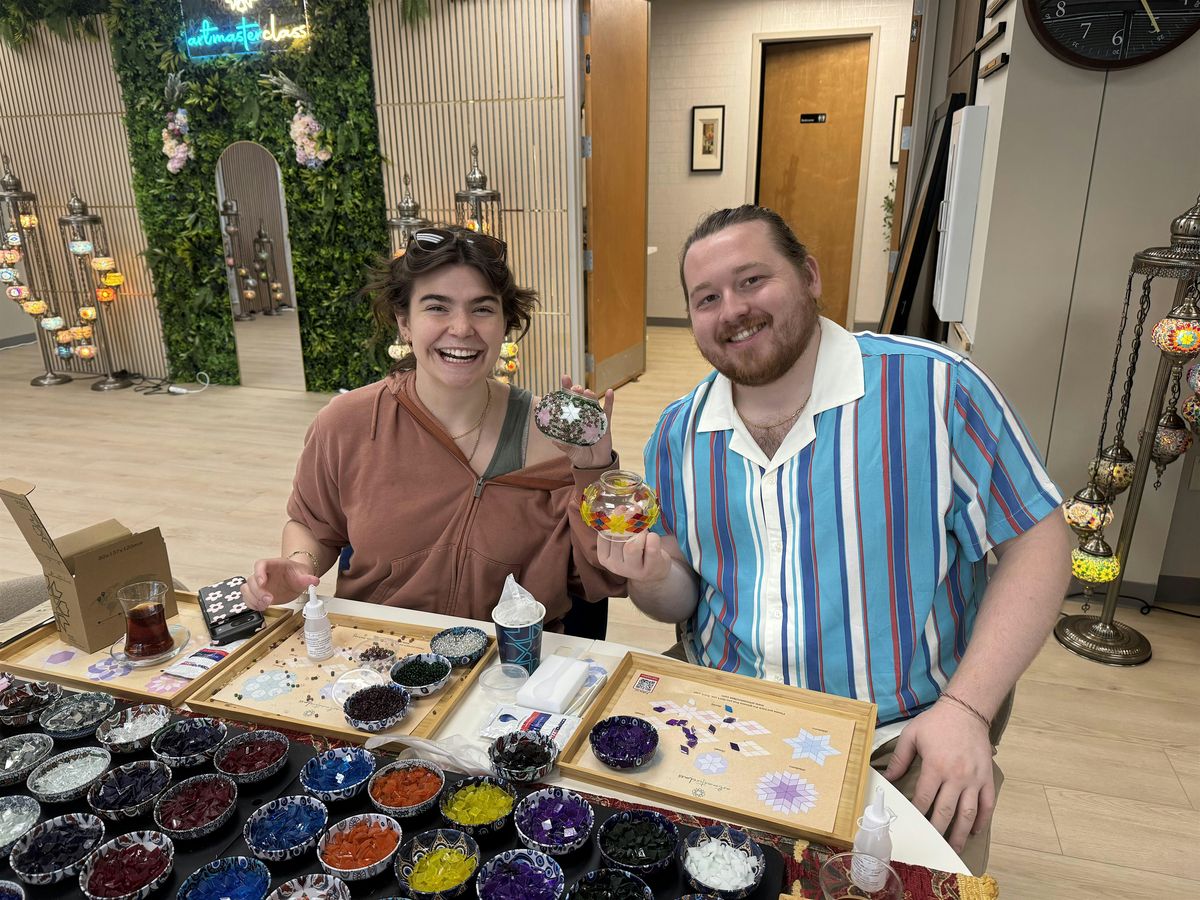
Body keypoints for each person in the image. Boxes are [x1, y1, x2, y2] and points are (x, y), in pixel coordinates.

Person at [597, 205, 1071, 874]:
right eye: (707, 298)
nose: (732, 310)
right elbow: (683, 597)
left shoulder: (934, 388)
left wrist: (967, 710)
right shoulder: (678, 435)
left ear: (810, 277)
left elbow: (1039, 542)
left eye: (752, 280)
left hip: (902, 733)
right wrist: (650, 576)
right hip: (723, 718)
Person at [243, 226, 625, 628]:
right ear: (404, 323)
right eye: (437, 307)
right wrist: (298, 566)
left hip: (510, 658)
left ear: (505, 325)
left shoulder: (555, 442)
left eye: (482, 309)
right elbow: (312, 525)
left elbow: (601, 577)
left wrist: (595, 470)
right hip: (377, 649)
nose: (461, 328)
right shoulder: (348, 423)